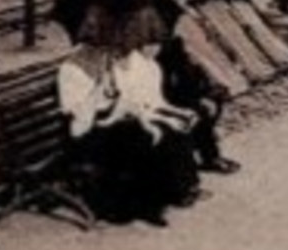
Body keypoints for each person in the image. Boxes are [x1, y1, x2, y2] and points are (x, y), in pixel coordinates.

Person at [56, 44, 201, 226]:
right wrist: (96, 90)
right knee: (135, 139)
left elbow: (122, 100)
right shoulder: (71, 71)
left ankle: (157, 201)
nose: (100, 55)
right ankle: (131, 208)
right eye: (94, 49)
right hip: (83, 133)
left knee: (145, 134)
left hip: (107, 124)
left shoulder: (105, 64)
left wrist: (145, 121)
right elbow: (79, 122)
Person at [155, 36, 239, 175]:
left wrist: (205, 95)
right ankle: (208, 157)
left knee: (213, 98)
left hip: (181, 91)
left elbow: (191, 79)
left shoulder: (179, 51)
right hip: (164, 101)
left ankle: (206, 153)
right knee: (198, 109)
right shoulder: (160, 59)